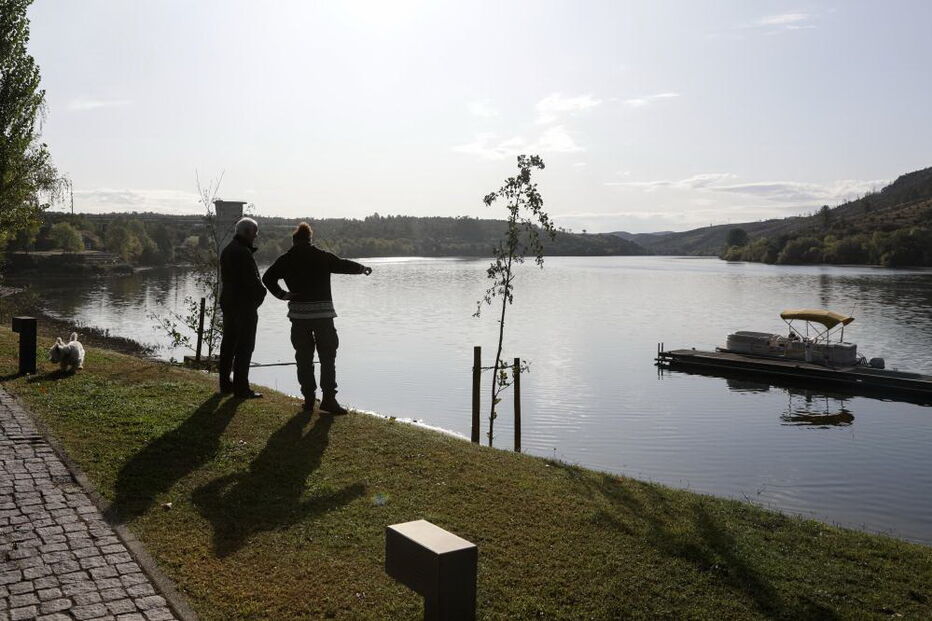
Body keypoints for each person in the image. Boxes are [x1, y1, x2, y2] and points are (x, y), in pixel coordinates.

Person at [262, 222, 372, 414]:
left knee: (303, 358)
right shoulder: (321, 256)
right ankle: (329, 400)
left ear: (294, 241)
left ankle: (309, 399)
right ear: (310, 239)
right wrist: (362, 268)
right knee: (327, 358)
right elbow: (342, 264)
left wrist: (282, 294)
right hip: (323, 316)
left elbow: (267, 278)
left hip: (299, 316)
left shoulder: (286, 259)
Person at [218, 217, 267, 398]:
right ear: (246, 232)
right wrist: (261, 295)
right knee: (245, 346)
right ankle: (241, 388)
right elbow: (253, 282)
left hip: (229, 302)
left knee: (228, 344)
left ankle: (225, 383)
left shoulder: (228, 250)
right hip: (243, 305)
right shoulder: (243, 253)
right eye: (255, 233)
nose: (256, 236)